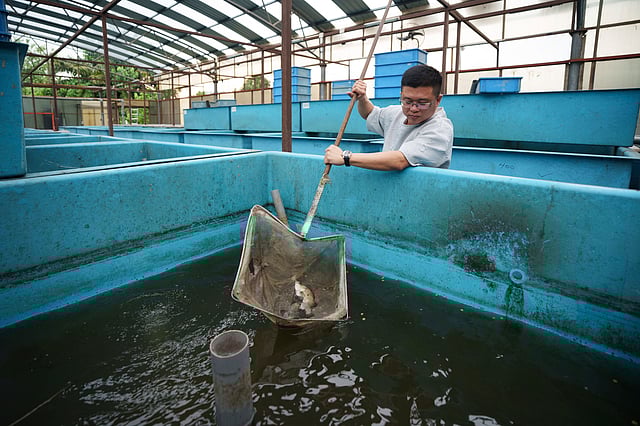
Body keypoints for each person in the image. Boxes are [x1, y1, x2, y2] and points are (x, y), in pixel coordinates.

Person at [324, 64, 453, 171]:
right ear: (401, 95)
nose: (413, 109)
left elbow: (400, 160)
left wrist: (345, 157)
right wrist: (362, 98)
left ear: (438, 100)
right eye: (407, 101)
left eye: (422, 103)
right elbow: (370, 114)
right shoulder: (396, 113)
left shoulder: (440, 129)